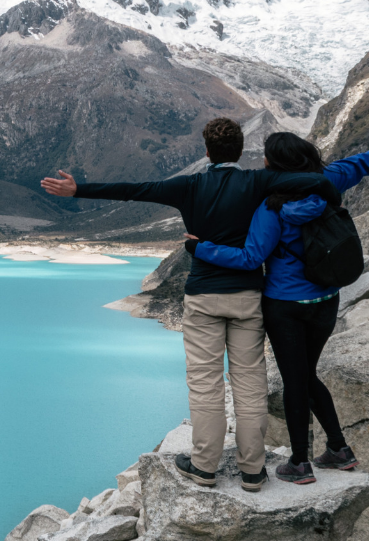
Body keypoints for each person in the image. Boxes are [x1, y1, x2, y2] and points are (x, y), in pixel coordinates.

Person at [41, 117, 344, 493]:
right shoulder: (257, 181)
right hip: (248, 297)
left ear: (206, 152)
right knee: (249, 382)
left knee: (205, 383)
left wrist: (78, 191)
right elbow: (316, 181)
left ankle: (204, 467)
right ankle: (253, 471)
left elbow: (136, 191)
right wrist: (326, 190)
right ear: (240, 151)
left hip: (202, 296)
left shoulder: (189, 187)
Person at [185, 121, 369, 485]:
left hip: (284, 306)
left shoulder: (269, 206)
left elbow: (249, 258)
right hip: (326, 299)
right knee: (307, 375)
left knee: (296, 381)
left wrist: (200, 248)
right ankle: (338, 449)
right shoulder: (330, 181)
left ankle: (299, 462)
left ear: (274, 166)